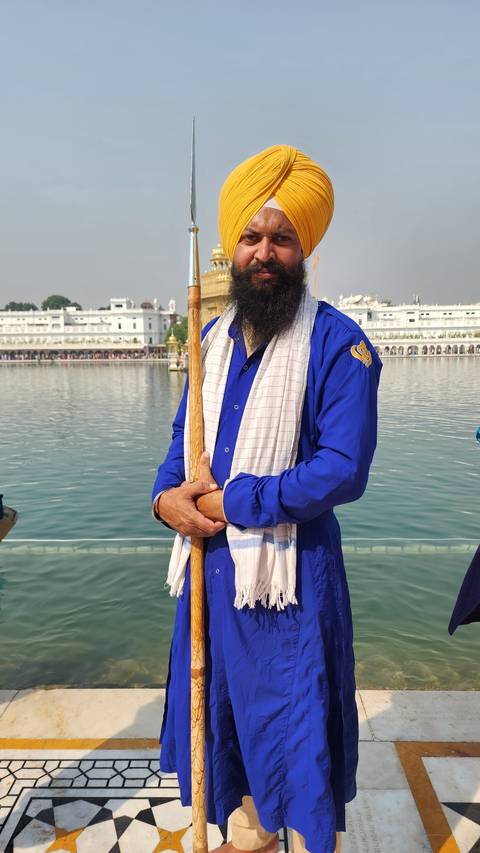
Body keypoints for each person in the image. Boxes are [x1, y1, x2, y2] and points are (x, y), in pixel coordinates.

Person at [152, 144, 382, 853]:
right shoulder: (209, 345)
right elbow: (176, 454)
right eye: (251, 237)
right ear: (232, 249)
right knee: (226, 716)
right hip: (217, 579)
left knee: (298, 725)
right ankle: (249, 832)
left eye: (281, 238)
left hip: (292, 587)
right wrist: (168, 502)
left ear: (302, 249)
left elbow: (343, 470)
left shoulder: (340, 345)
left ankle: (311, 843)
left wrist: (237, 501)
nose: (264, 252)